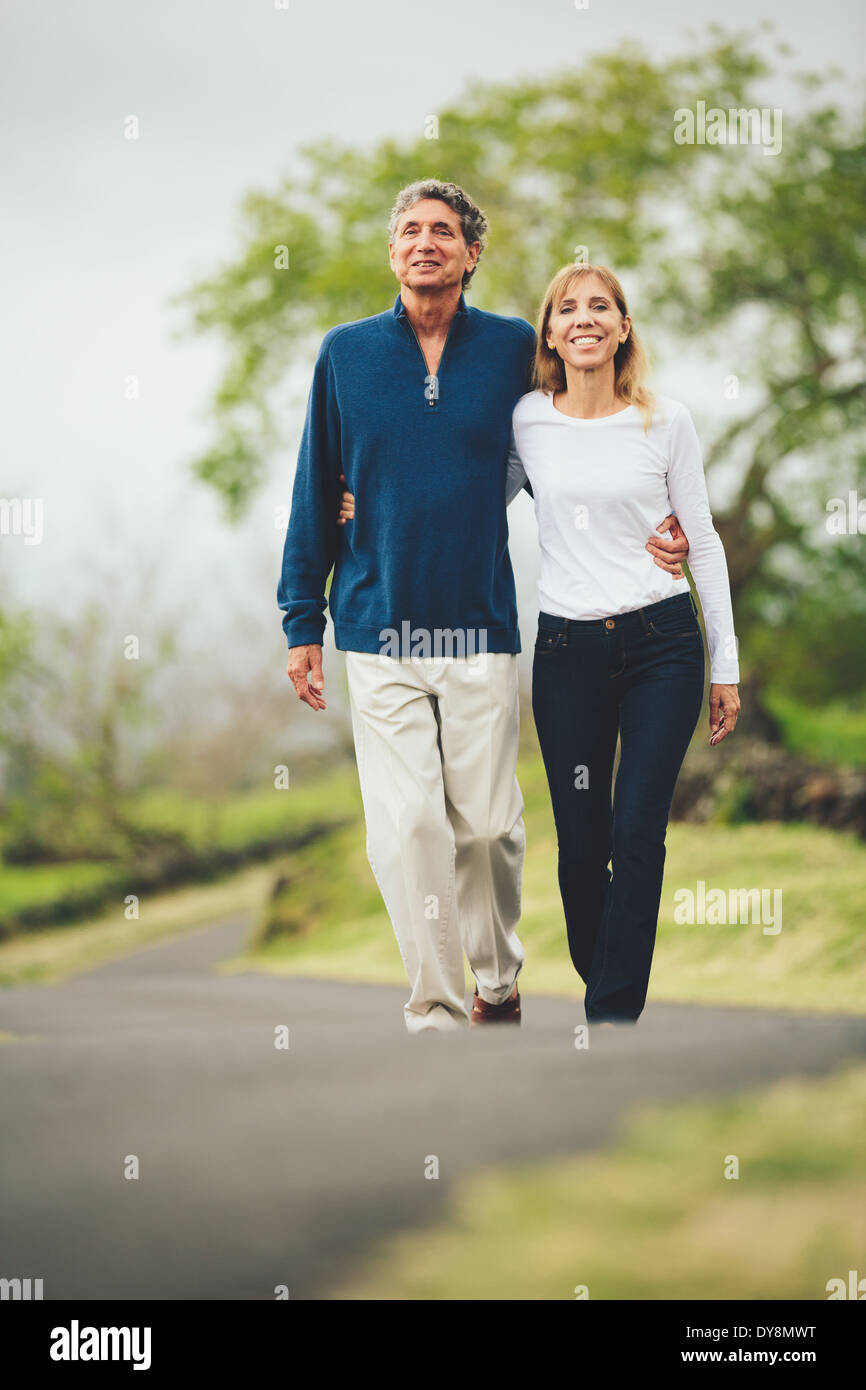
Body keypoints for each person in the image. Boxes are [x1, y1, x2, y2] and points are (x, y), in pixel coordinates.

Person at [279, 180, 691, 1034]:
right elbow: (317, 489)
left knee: (490, 830)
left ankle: (497, 983)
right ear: (392, 252)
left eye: (442, 232)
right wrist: (301, 621)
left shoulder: (510, 350)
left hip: (482, 630)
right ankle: (433, 1007)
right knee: (407, 829)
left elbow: (570, 442)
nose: (424, 243)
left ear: (472, 254)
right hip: (375, 628)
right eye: (408, 232)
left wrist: (656, 527)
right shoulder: (345, 355)